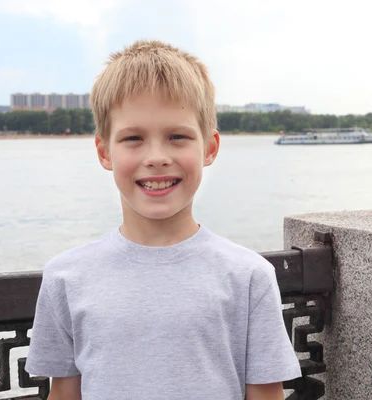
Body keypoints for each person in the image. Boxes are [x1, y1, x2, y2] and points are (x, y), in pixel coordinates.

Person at [25, 40, 301, 400]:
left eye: (177, 137)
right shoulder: (65, 278)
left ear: (210, 148)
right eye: (134, 138)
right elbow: (64, 394)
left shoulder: (249, 277)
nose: (156, 157)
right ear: (104, 151)